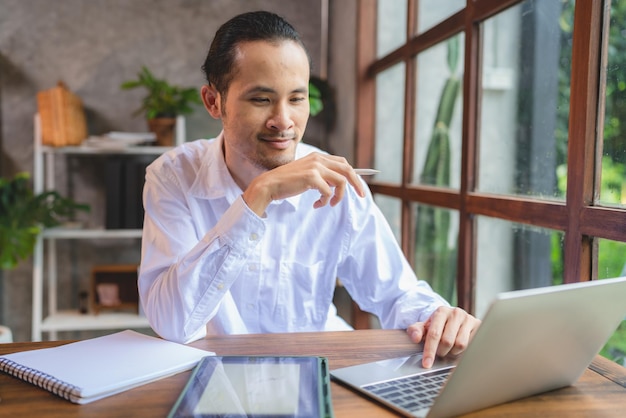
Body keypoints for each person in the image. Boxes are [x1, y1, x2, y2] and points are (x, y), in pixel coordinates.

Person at [138, 10, 480, 368]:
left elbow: (397, 294)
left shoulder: (336, 178)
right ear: (214, 102)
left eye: (297, 99)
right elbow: (171, 323)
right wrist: (256, 198)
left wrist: (439, 318)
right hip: (217, 379)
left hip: (316, 370)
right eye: (261, 99)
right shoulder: (173, 176)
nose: (284, 121)